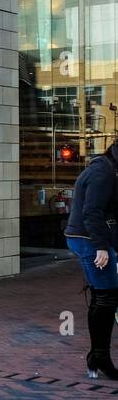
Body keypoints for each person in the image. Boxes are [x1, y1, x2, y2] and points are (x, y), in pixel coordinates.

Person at [64, 141, 118, 380]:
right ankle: (99, 358)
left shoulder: (104, 168)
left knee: (103, 295)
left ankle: (98, 357)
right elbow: (91, 212)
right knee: (106, 296)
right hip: (88, 241)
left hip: (89, 239)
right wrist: (101, 247)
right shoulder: (103, 173)